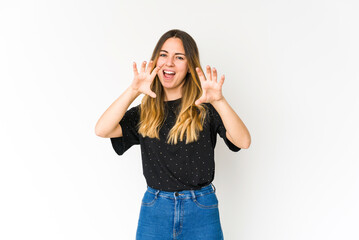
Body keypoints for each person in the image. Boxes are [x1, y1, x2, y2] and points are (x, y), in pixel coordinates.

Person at [95, 29, 251, 240]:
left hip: (201, 208)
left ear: (189, 66)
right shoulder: (145, 112)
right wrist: (133, 90)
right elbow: (102, 129)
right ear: (155, 61)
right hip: (155, 209)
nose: (169, 62)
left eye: (179, 57)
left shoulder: (205, 109)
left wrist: (219, 101)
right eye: (163, 54)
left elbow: (243, 141)